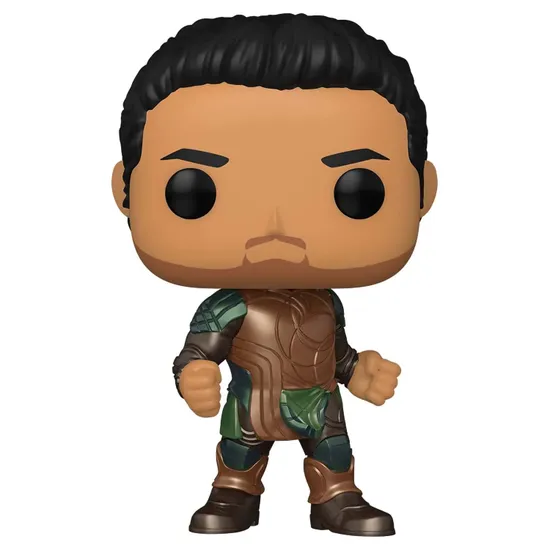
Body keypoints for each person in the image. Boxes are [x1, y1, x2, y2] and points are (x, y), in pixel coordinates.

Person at [112, 13, 437, 536]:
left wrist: (357, 371)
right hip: (250, 402)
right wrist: (193, 376)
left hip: (318, 403)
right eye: (194, 191)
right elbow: (196, 353)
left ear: (422, 192)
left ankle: (335, 495)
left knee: (332, 447)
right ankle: (234, 492)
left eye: (357, 190)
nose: (276, 232)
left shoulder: (325, 302)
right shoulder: (229, 305)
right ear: (126, 191)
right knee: (240, 450)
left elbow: (334, 351)